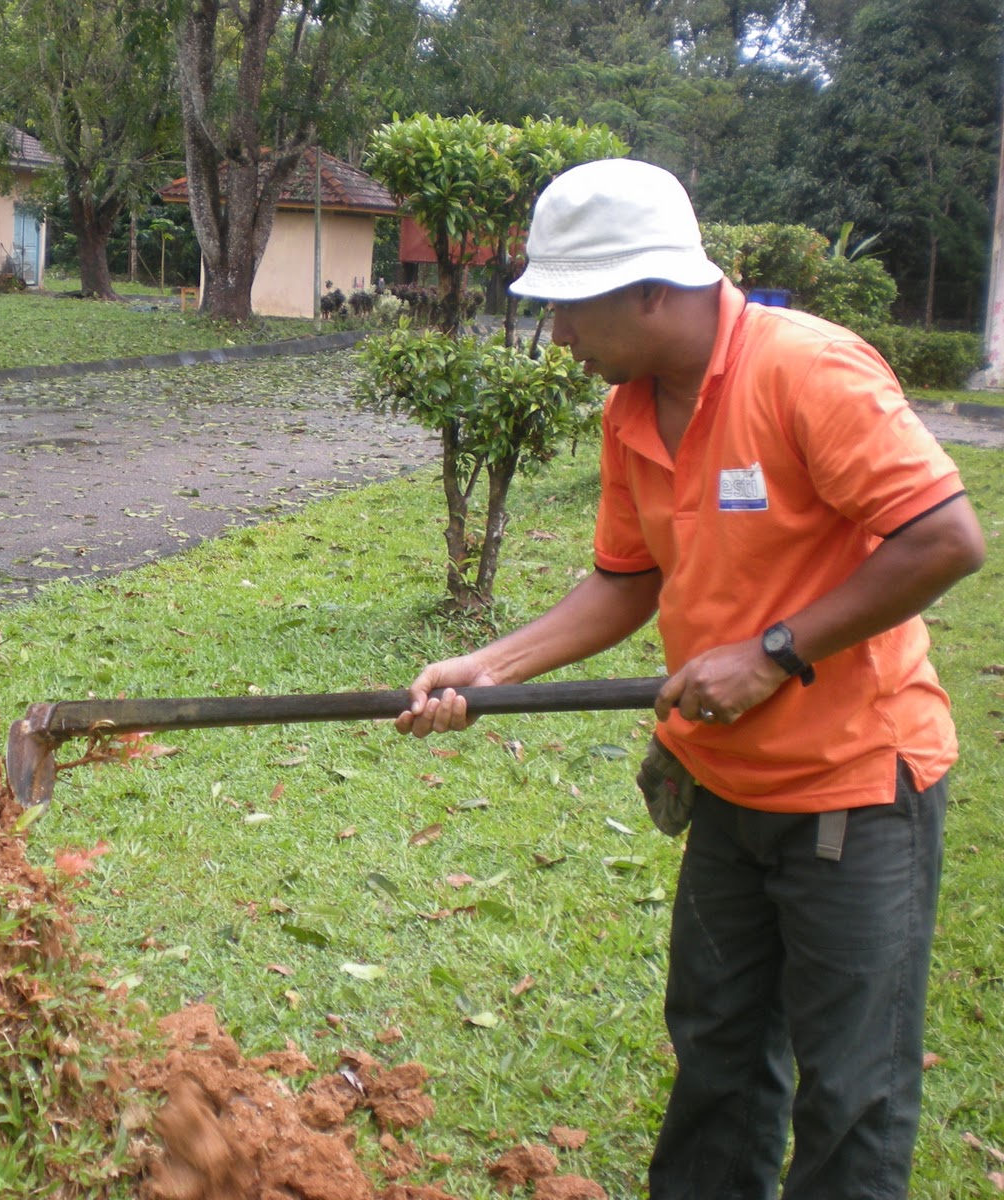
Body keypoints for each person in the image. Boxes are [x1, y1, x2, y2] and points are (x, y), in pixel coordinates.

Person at [396, 159, 986, 1199]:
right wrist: (485, 669)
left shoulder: (807, 371)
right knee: (717, 1055)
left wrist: (772, 653)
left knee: (849, 1092)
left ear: (650, 289)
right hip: (722, 786)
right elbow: (624, 586)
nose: (558, 337)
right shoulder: (632, 408)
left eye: (570, 310)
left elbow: (942, 538)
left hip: (854, 787)